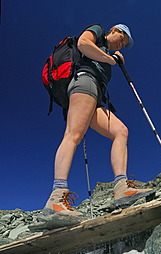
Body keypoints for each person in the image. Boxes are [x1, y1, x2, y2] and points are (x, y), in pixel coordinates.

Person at [43, 24, 154, 218]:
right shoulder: (98, 30)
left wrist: (111, 59)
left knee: (121, 131)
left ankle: (121, 188)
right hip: (84, 82)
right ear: (113, 30)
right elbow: (83, 43)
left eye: (124, 43)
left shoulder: (106, 52)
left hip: (94, 95)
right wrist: (110, 60)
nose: (121, 43)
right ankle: (56, 198)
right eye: (122, 38)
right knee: (73, 135)